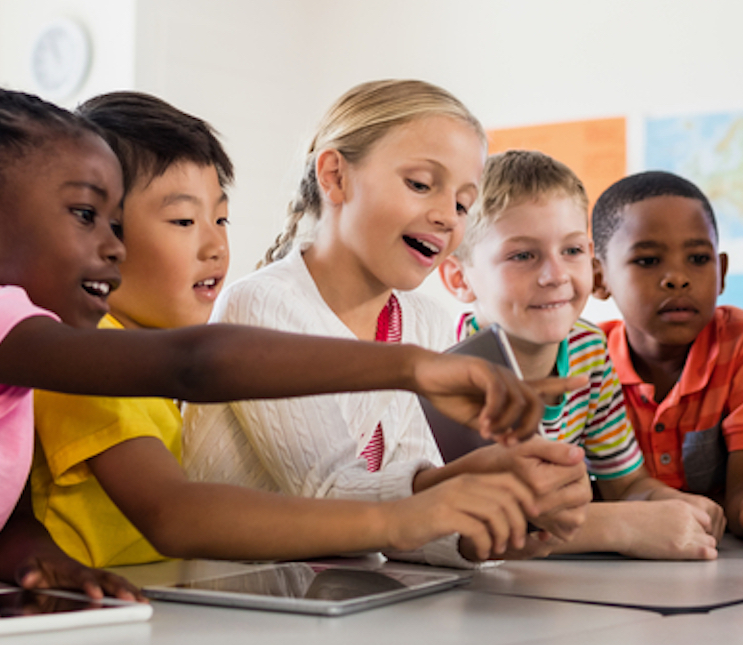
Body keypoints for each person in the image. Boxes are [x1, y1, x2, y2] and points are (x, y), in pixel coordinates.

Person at [0, 84, 565, 591]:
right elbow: (193, 391)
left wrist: (31, 555)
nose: (108, 246)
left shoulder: (39, 352)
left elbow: (1, 504)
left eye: (220, 221)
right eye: (88, 216)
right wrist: (410, 439)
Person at [183, 80, 593, 566]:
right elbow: (327, 495)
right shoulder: (261, 306)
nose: (446, 217)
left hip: (350, 608)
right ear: (335, 177)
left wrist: (485, 529)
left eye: (463, 204)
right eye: (420, 184)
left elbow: (410, 518)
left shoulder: (426, 323)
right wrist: (458, 491)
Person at [439, 150, 727, 560]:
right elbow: (468, 524)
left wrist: (674, 505)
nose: (555, 275)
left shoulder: (588, 350)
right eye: (523, 255)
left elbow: (625, 484)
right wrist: (624, 528)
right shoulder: (444, 367)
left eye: (571, 251)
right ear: (459, 279)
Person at [590, 171, 743, 550]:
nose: (678, 278)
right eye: (648, 260)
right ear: (598, 277)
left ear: (722, 272)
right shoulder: (584, 360)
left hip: (713, 559)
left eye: (699, 258)